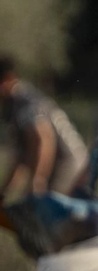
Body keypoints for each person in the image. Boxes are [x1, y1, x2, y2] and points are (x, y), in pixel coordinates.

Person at [0, 56, 89, 198]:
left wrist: (38, 180)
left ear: (7, 79)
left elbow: (43, 140)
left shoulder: (24, 101)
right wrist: (3, 193)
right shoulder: (15, 103)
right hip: (61, 163)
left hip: (66, 163)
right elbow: (21, 157)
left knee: (46, 209)